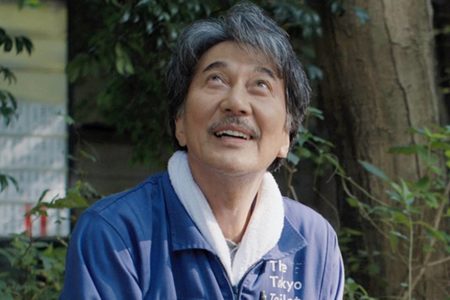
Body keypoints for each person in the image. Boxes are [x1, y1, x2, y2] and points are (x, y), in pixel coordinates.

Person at [60, 2, 344, 299]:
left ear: (286, 136)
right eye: (216, 79)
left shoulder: (315, 244)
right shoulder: (116, 234)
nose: (236, 103)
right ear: (179, 121)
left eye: (260, 85)